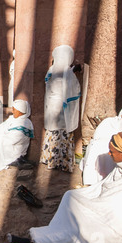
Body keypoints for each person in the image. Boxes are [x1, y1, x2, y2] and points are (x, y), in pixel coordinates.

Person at [40, 45, 81, 173]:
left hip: (52, 105)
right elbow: (70, 85)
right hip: (62, 108)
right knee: (63, 133)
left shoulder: (52, 69)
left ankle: (50, 160)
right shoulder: (66, 71)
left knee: (53, 133)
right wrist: (74, 70)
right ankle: (63, 162)